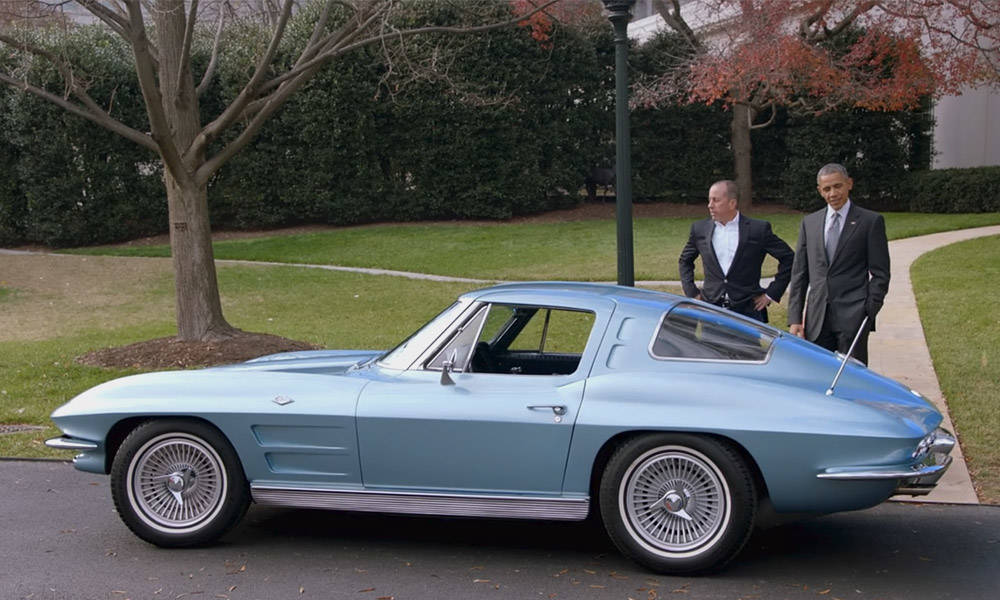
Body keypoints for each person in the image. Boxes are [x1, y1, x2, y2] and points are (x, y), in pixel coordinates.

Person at [787, 163, 890, 365]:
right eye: (827, 189)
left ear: (849, 184)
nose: (833, 193)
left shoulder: (870, 221)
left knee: (851, 376)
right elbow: (799, 274)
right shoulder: (810, 223)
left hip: (854, 317)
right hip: (817, 319)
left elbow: (881, 273)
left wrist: (868, 310)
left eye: (837, 186)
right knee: (818, 374)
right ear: (820, 191)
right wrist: (795, 318)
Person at [678, 180, 794, 322]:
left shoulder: (757, 230)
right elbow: (685, 261)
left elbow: (789, 258)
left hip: (748, 310)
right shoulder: (700, 229)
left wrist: (771, 293)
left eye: (716, 200)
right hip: (711, 309)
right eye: (709, 200)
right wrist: (692, 292)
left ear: (732, 203)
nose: (710, 205)